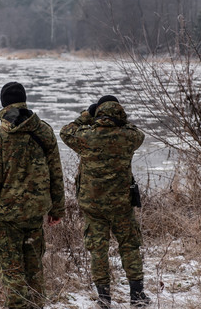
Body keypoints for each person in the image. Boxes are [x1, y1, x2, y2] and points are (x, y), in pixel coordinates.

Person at [0, 82, 65, 308]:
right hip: (34, 216)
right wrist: (57, 209)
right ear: (25, 100)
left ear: (3, 103)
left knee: (13, 272)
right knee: (34, 271)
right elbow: (56, 173)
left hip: (7, 220)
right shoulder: (44, 131)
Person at [59, 95, 149, 308]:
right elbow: (138, 132)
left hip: (94, 206)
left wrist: (87, 116)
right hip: (122, 205)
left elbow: (65, 131)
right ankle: (137, 295)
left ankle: (104, 298)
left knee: (98, 250)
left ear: (98, 113)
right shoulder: (129, 137)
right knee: (129, 246)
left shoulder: (86, 137)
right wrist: (120, 120)